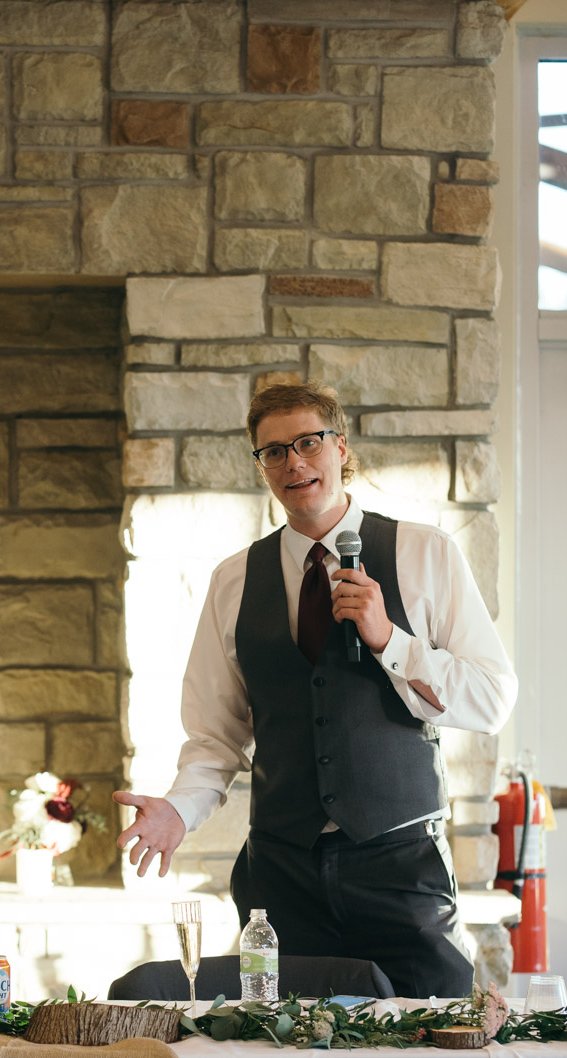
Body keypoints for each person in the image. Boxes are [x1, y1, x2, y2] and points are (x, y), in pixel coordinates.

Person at [114, 382, 517, 997]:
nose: (293, 462)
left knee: (433, 1041)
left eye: (308, 442)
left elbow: (492, 700)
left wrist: (392, 641)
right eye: (273, 452)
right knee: (281, 1048)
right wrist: (179, 809)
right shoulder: (233, 581)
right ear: (262, 467)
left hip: (399, 867)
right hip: (281, 877)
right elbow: (216, 738)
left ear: (340, 447)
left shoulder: (424, 552)